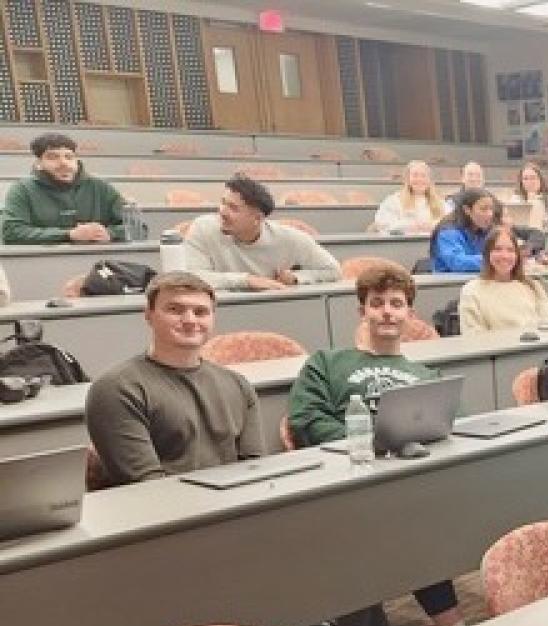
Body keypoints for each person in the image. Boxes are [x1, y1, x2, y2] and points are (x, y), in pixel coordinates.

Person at [287, 262, 469, 626]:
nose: (387, 311)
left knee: (411, 514)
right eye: (377, 303)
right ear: (362, 311)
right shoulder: (327, 363)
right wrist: (371, 446)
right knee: (400, 520)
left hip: (408, 481)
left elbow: (448, 423)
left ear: (410, 314)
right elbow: (305, 420)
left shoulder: (423, 371)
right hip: (345, 480)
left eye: (396, 304)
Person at [86, 272, 266, 486]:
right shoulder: (116, 389)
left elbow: (255, 469)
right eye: (175, 310)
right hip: (163, 513)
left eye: (200, 312)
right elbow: (147, 485)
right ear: (148, 315)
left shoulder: (238, 384)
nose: (190, 320)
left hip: (233, 507)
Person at [183, 174, 341, 292]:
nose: (222, 212)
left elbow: (333, 270)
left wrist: (296, 278)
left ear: (257, 219)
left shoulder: (290, 238)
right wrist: (247, 280)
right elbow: (191, 277)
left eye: (233, 208)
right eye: (223, 202)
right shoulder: (202, 228)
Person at [2, 132, 127, 245]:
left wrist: (109, 233)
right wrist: (69, 235)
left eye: (69, 157)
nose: (63, 163)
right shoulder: (22, 189)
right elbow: (12, 232)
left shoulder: (100, 187)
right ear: (38, 163)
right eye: (53, 157)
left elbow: (136, 227)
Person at [458, 226, 548, 333]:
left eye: (510, 250)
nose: (504, 256)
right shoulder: (471, 291)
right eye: (497, 249)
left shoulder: (533, 287)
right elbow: (473, 337)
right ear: (487, 254)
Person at [429, 188, 501, 274]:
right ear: (467, 210)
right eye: (483, 209)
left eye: (491, 209)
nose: (490, 214)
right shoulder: (448, 231)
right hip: (449, 283)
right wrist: (495, 259)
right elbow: (457, 263)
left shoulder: (489, 229)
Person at [372, 160, 446, 235]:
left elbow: (450, 224)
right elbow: (382, 223)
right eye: (415, 175)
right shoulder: (394, 201)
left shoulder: (441, 202)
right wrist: (411, 226)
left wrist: (433, 225)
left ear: (429, 180)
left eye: (423, 176)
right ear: (407, 179)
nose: (419, 179)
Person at [505, 161, 548, 231]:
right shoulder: (515, 200)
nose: (529, 182)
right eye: (525, 179)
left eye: (533, 178)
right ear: (521, 182)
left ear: (540, 180)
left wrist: (546, 226)